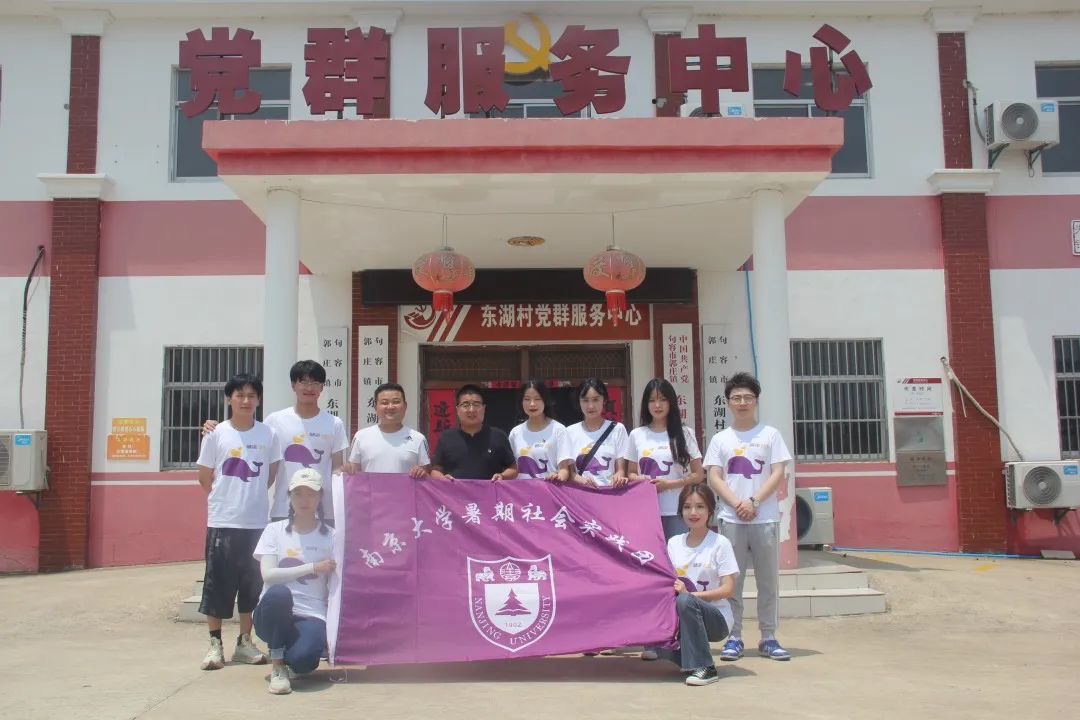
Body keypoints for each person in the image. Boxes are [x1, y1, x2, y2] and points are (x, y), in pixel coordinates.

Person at [703, 371, 793, 662]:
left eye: (747, 397)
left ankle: (768, 636)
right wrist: (737, 504)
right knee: (732, 581)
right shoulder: (721, 439)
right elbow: (714, 477)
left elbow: (778, 473)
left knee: (768, 581)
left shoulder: (770, 435)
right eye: (736, 398)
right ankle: (734, 636)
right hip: (731, 519)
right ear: (728, 402)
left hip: (765, 518)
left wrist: (754, 502)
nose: (742, 402)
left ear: (756, 401)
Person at [196, 373, 282, 671]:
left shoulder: (268, 434)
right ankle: (215, 645)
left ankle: (245, 642)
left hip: (257, 522)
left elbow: (270, 474)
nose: (246, 400)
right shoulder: (216, 433)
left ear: (258, 399)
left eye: (251, 395)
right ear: (229, 398)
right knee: (217, 583)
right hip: (223, 521)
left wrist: (249, 498)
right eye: (240, 395)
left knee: (251, 585)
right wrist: (226, 499)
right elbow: (204, 477)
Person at [204, 360, 347, 524]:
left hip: (323, 511)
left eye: (315, 383)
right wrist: (215, 427)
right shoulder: (275, 420)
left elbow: (337, 468)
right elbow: (247, 436)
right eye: (303, 382)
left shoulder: (334, 423)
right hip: (284, 508)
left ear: (322, 387)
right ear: (293, 385)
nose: (309, 388)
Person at [252, 468, 336, 695]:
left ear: (320, 498)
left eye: (311, 494)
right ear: (289, 496)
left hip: (311, 614)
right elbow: (268, 575)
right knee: (280, 593)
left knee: (304, 660)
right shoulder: (274, 531)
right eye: (298, 493)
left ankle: (293, 655)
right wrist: (313, 567)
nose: (304, 500)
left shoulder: (332, 536)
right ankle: (278, 665)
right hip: (272, 613)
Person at [662, 484, 740, 686]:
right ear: (680, 512)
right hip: (683, 618)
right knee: (655, 645)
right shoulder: (673, 544)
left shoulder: (720, 543)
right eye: (687, 507)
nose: (693, 512)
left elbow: (728, 589)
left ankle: (706, 667)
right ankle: (691, 661)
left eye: (700, 506)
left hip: (717, 619)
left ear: (710, 511)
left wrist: (691, 596)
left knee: (685, 601)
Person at [625, 378, 704, 539]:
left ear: (671, 402)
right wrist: (641, 480)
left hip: (677, 509)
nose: (657, 405)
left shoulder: (685, 433)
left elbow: (698, 474)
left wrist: (669, 484)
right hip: (645, 509)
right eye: (652, 400)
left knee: (677, 554)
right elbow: (630, 473)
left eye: (662, 399)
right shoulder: (636, 435)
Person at [430, 384, 517, 481]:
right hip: (454, 491)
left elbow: (513, 468)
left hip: (490, 491)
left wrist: (502, 476)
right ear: (457, 410)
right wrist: (442, 479)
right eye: (465, 405)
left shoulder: (498, 436)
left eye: (476, 404)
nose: (471, 410)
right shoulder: (446, 437)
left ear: (484, 408)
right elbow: (435, 470)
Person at [345, 382, 430, 477]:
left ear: (405, 406)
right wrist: (346, 469)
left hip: (404, 488)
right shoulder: (361, 436)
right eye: (384, 403)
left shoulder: (418, 439)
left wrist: (420, 472)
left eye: (396, 402)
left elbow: (427, 477)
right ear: (375, 407)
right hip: (371, 488)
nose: (390, 407)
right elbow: (353, 474)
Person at [557, 378, 628, 487]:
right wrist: (583, 481)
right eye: (585, 400)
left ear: (604, 400)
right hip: (581, 494)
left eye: (595, 400)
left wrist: (618, 477)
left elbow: (621, 470)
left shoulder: (618, 429)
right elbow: (570, 473)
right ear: (579, 402)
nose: (590, 406)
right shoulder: (569, 432)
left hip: (609, 493)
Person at [507, 380, 565, 480]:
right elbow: (511, 468)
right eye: (527, 399)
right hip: (521, 489)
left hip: (549, 488)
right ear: (521, 402)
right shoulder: (515, 433)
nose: (532, 404)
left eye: (537, 399)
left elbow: (565, 470)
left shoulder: (558, 430)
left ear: (545, 400)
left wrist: (558, 476)